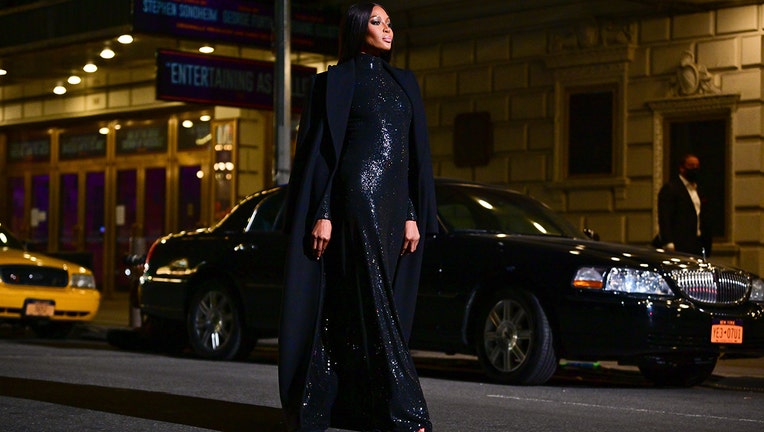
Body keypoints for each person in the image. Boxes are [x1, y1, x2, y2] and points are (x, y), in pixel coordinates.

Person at [278, 3, 437, 431]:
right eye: (377, 22)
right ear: (356, 28)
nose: (388, 29)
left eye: (389, 23)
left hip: (391, 207)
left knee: (354, 301)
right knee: (377, 300)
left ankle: (337, 404)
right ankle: (407, 410)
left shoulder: (405, 82)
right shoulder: (332, 83)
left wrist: (411, 214)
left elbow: (410, 156)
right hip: (354, 199)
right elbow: (324, 153)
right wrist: (324, 212)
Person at [656, 154, 712, 257]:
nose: (695, 169)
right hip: (680, 243)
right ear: (682, 168)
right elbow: (664, 217)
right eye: (691, 165)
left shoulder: (699, 190)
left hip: (697, 243)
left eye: (697, 166)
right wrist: (668, 242)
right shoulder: (671, 188)